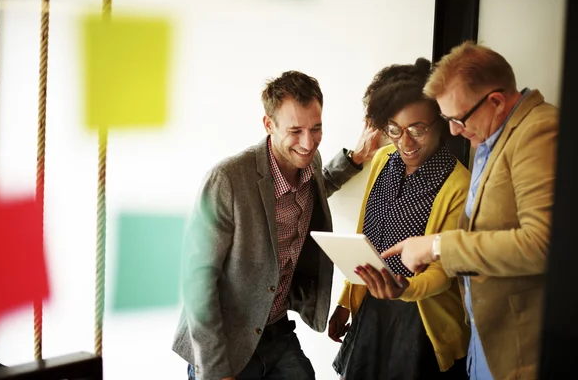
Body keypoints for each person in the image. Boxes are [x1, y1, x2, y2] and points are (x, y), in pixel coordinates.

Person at [172, 70, 382, 380]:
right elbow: (196, 280)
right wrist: (216, 369)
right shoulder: (227, 179)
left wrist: (355, 158)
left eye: (316, 128)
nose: (308, 142)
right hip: (225, 341)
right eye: (295, 130)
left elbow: (316, 187)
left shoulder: (309, 160)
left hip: (277, 331)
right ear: (269, 124)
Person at [382, 42, 558, 379]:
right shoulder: (491, 133)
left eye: (458, 119)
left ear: (495, 101)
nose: (453, 131)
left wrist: (436, 246)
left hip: (515, 350)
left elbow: (543, 243)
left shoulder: (538, 130)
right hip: (483, 338)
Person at [329, 57, 470, 380]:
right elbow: (368, 239)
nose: (405, 142)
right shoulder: (382, 159)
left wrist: (403, 288)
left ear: (440, 121)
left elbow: (444, 273)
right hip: (373, 309)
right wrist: (348, 301)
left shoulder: (457, 185)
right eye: (394, 130)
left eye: (417, 130)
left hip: (420, 322)